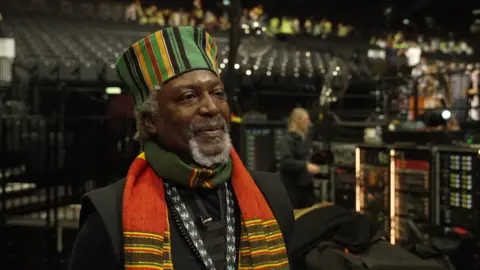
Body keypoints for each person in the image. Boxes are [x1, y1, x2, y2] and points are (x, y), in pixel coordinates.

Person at [69, 26, 293, 270]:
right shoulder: (109, 215)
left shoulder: (272, 195)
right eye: (188, 96)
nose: (212, 107)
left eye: (218, 93)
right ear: (150, 121)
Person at [278, 107, 320, 209]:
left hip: (306, 186)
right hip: (292, 188)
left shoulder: (306, 140)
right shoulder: (287, 140)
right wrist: (305, 166)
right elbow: (285, 162)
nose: (309, 123)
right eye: (306, 120)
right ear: (298, 121)